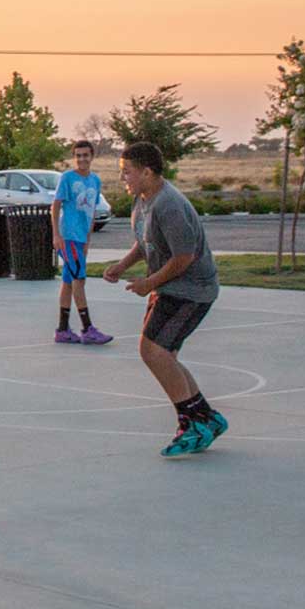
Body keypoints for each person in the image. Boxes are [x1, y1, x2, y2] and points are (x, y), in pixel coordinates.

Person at [101, 142, 227, 457]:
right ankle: (206, 417)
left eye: (126, 172)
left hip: (191, 290)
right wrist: (122, 266)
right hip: (170, 287)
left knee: (154, 351)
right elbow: (146, 242)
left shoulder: (169, 205)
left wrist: (149, 283)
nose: (123, 179)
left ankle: (191, 423)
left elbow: (184, 257)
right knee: (163, 353)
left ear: (147, 172)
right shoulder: (143, 201)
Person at [52, 140, 113, 344]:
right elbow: (56, 206)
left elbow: (91, 212)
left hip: (80, 238)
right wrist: (56, 235)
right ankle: (87, 329)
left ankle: (62, 330)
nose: (81, 159)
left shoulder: (95, 180)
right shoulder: (67, 178)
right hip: (68, 236)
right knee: (80, 279)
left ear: (92, 156)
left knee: (69, 282)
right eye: (77, 155)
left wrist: (88, 239)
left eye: (85, 155)